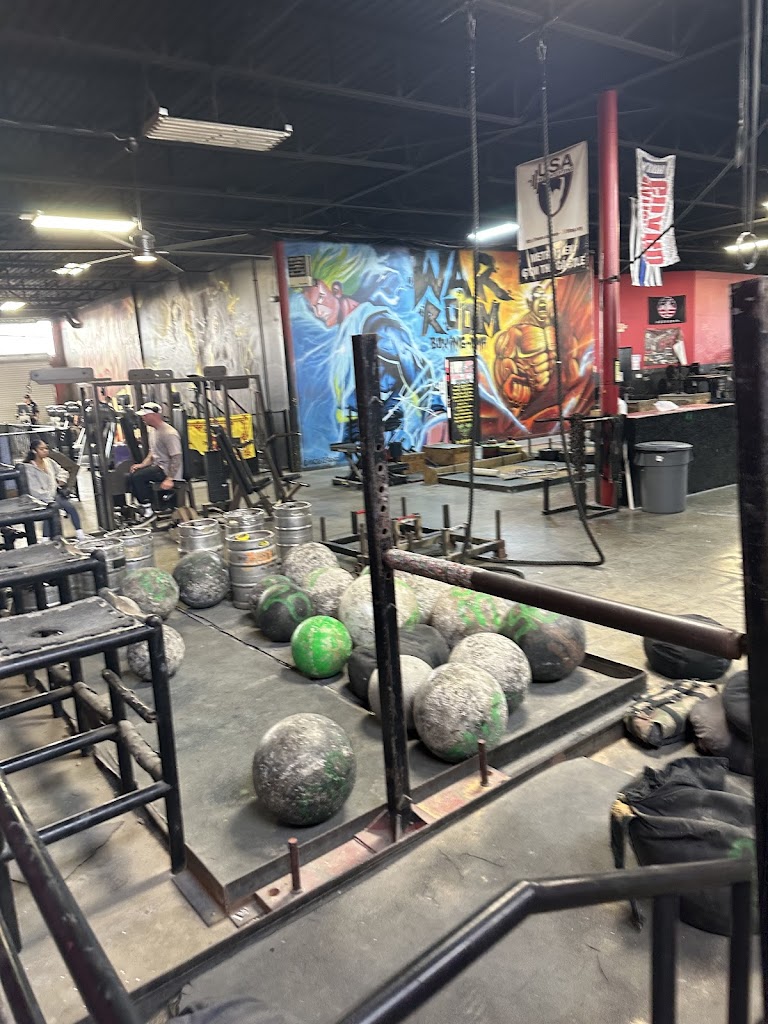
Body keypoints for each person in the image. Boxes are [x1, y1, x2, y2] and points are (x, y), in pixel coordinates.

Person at [128, 402, 183, 520]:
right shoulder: (153, 431)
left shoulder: (169, 433)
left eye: (145, 415)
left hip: (167, 470)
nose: (143, 418)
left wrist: (170, 479)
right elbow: (152, 452)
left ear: (154, 415)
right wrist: (142, 465)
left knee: (138, 477)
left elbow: (176, 457)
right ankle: (148, 505)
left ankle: (148, 509)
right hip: (158, 467)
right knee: (132, 475)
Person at [22, 438, 85, 540]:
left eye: (46, 448)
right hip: (40, 498)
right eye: (41, 449)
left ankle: (80, 533)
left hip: (54, 494)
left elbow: (62, 471)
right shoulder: (29, 468)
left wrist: (61, 480)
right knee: (50, 511)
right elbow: (34, 489)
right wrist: (50, 499)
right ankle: (45, 539)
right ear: (34, 451)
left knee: (71, 508)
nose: (45, 451)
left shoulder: (49, 461)